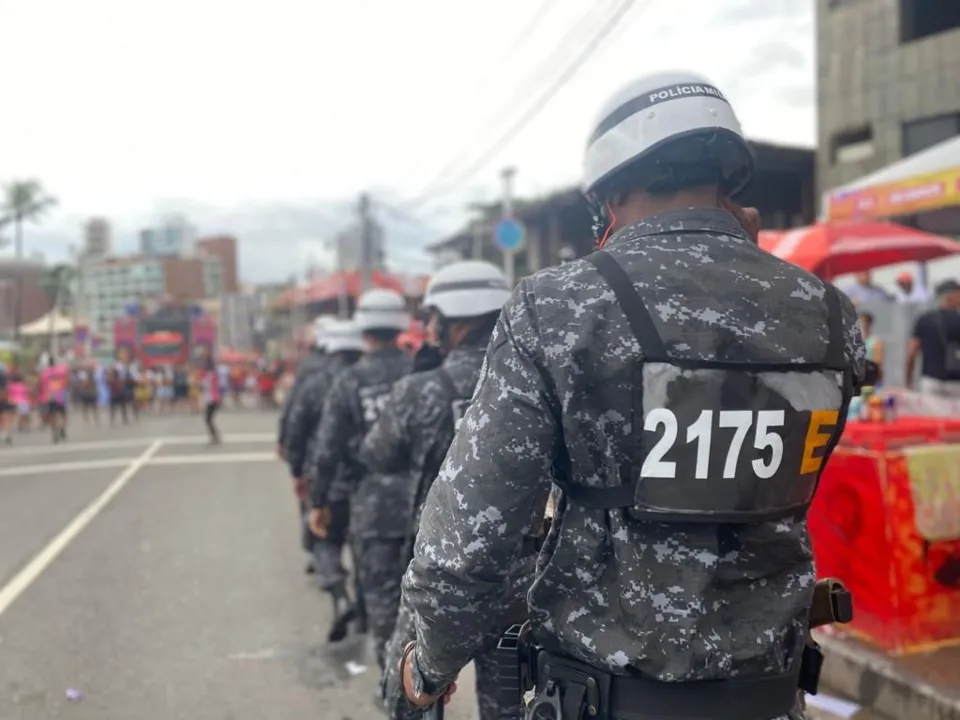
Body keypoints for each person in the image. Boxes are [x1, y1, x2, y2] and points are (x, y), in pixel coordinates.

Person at [397, 70, 866, 720]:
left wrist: (430, 661)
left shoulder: (556, 308)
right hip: (770, 698)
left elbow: (469, 538)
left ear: (609, 195)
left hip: (603, 699)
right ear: (728, 182)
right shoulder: (828, 314)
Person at [359, 261, 538, 720]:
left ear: (449, 319)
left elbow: (378, 455)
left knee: (408, 697)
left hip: (441, 570)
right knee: (511, 708)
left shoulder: (420, 389)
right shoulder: (537, 379)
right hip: (523, 575)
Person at [312, 288, 413, 674]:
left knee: (384, 601)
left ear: (364, 330)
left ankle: (397, 689)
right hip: (428, 504)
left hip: (374, 507)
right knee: (428, 598)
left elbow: (327, 450)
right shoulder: (421, 371)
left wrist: (319, 502)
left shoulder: (351, 381)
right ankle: (429, 683)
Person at [286, 320, 366, 638]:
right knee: (363, 550)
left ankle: (338, 595)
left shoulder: (314, 382)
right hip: (364, 484)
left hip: (328, 479)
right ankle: (363, 611)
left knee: (325, 540)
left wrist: (297, 471)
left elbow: (296, 428)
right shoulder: (365, 380)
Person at [277, 316, 334, 458]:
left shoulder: (307, 366)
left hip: (314, 442)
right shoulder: (353, 366)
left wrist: (284, 440)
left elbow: (295, 406)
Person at [906, 279, 960, 398]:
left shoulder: (925, 319)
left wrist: (908, 380)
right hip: (956, 383)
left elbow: (911, 352)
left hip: (930, 382)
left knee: (931, 416)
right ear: (950, 297)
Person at [39, 356, 71, 443]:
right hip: (60, 394)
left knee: (52, 415)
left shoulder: (44, 373)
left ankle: (54, 432)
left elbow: (41, 385)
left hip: (49, 396)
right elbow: (68, 380)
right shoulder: (62, 370)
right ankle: (62, 427)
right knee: (63, 413)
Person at [201, 356, 222, 444]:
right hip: (209, 399)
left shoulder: (212, 376)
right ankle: (214, 435)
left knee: (208, 419)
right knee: (208, 419)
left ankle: (215, 435)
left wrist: (218, 398)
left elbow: (216, 388)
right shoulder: (206, 376)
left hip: (213, 400)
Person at [859, 311, 884, 383]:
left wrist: (880, 380)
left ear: (869, 323)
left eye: (864, 322)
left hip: (870, 375)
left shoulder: (876, 341)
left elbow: (879, 363)